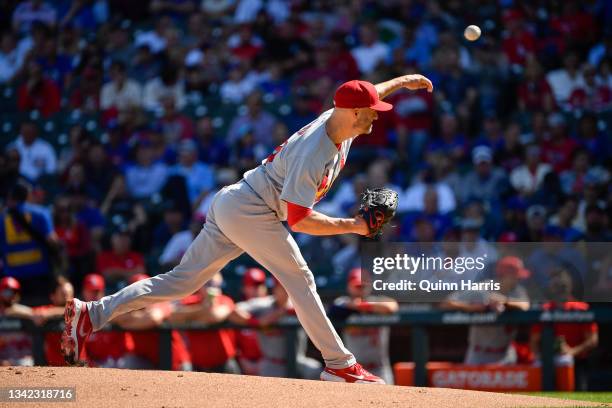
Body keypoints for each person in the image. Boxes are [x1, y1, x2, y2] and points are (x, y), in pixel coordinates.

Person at [62, 74, 434, 384]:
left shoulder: (339, 119)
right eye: (372, 112)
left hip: (237, 201)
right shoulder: (315, 152)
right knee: (300, 277)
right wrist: (353, 226)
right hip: (252, 209)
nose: (377, 117)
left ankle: (92, 313)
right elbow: (300, 220)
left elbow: (369, 93)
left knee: (181, 281)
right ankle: (340, 364)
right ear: (354, 112)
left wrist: (403, 82)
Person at [441, 256, 531, 365]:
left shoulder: (517, 291)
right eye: (515, 276)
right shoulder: (482, 288)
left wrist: (503, 301)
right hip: (479, 354)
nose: (519, 279)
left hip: (506, 354)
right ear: (504, 276)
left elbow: (525, 305)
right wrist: (472, 308)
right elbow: (446, 303)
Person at [231, 277, 322, 379]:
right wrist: (257, 322)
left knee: (315, 370)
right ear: (275, 289)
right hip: (272, 363)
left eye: (288, 286)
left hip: (298, 361)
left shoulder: (300, 305)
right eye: (282, 287)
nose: (286, 289)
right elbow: (233, 310)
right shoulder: (264, 305)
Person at [530, 267, 599, 390]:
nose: (559, 287)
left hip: (576, 361)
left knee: (567, 362)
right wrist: (539, 355)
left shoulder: (581, 308)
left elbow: (593, 340)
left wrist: (572, 351)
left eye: (562, 283)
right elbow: (534, 341)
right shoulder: (545, 309)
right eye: (555, 283)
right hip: (548, 360)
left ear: (570, 286)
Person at [329, 269, 399, 384]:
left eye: (363, 286)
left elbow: (392, 307)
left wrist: (362, 305)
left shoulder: (378, 302)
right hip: (354, 369)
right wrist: (356, 306)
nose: (360, 290)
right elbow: (334, 309)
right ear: (349, 287)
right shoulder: (343, 304)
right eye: (357, 286)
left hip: (379, 368)